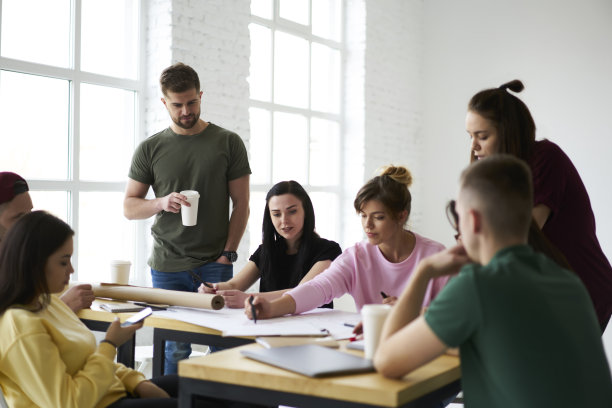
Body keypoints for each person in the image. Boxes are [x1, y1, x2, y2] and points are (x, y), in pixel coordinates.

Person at [374, 156, 612, 407]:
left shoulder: (477, 284)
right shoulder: (568, 282)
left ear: (473, 220)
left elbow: (386, 361)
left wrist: (424, 271)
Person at [123, 63, 251, 373]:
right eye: (177, 104)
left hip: (215, 263)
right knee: (173, 349)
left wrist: (228, 254)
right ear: (164, 102)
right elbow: (129, 206)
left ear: (200, 96)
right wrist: (161, 203)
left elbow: (242, 203)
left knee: (222, 345)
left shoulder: (228, 142)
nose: (185, 111)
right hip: (167, 266)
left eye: (192, 102)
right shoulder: (149, 149)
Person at [465, 80, 612, 332]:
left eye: (483, 136)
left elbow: (522, 233)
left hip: (582, 286)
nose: (474, 146)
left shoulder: (545, 159)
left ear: (508, 131)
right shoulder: (494, 176)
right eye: (470, 136)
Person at [0, 211, 179, 408]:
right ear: (34, 263)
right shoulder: (20, 325)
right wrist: (110, 344)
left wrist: (138, 382)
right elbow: (70, 403)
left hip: (108, 392)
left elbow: (88, 360)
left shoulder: (48, 303)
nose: (71, 270)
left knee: (202, 387)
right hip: (94, 403)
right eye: (63, 262)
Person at [244, 166, 448, 320]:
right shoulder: (356, 257)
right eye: (363, 215)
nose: (367, 225)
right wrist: (272, 308)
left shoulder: (436, 257)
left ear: (401, 216)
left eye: (378, 217)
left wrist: (410, 312)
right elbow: (317, 288)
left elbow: (460, 311)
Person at [199, 180, 341, 308]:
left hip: (314, 329)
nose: (284, 220)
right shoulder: (266, 251)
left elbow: (302, 293)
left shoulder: (328, 250)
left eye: (292, 211)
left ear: (306, 211)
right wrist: (214, 288)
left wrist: (249, 299)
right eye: (276, 214)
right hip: (271, 326)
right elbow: (234, 285)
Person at [0, 171, 94, 313]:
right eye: (19, 218)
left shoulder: (24, 263)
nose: (29, 224)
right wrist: (65, 305)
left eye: (30, 214)